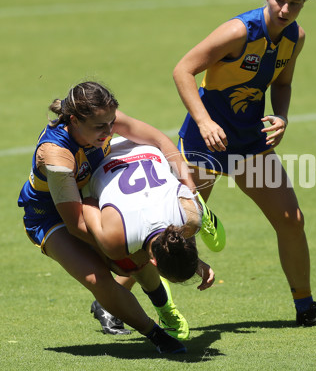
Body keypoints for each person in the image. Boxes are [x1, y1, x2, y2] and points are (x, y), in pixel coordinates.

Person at [172, 0, 316, 326]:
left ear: (303, 4)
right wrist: (205, 122)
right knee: (179, 228)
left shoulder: (295, 38)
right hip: (204, 142)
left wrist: (282, 116)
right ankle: (113, 299)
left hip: (250, 142)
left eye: (294, 3)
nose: (285, 9)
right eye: (279, 0)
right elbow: (183, 70)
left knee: (291, 220)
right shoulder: (239, 31)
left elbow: (282, 82)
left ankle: (306, 308)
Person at [17, 81, 221, 354]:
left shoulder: (105, 119)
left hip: (92, 197)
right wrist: (123, 251)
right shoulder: (56, 155)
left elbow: (159, 140)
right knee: (99, 277)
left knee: (133, 253)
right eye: (100, 127)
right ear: (75, 121)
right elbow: (76, 224)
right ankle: (156, 334)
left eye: (111, 122)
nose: (109, 131)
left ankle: (165, 309)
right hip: (51, 214)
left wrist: (188, 185)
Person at [82, 137, 220, 340]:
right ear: (153, 262)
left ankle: (158, 309)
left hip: (144, 146)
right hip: (99, 155)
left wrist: (193, 260)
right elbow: (88, 203)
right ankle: (161, 309)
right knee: (131, 261)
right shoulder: (114, 241)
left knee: (134, 251)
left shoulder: (190, 219)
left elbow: (185, 187)